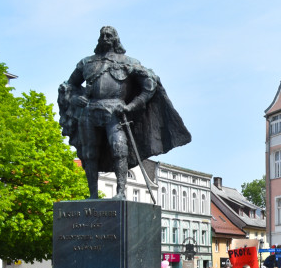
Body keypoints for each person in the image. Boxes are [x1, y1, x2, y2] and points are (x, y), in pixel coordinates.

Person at [57, 26, 191, 199]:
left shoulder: (128, 62)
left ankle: (120, 192)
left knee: (119, 149)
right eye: (102, 35)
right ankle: (92, 196)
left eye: (109, 35)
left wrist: (132, 106)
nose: (105, 38)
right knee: (89, 153)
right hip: (89, 111)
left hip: (115, 111)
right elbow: (69, 86)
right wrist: (75, 98)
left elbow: (149, 85)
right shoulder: (86, 63)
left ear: (115, 39)